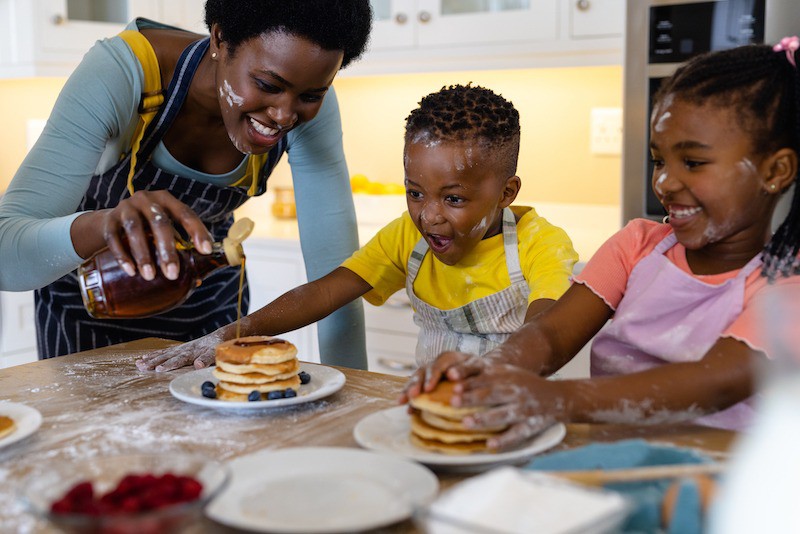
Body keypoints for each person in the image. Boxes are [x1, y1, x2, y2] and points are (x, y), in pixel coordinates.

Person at [402, 40, 800, 450]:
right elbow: (552, 335)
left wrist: (555, 400)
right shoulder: (637, 246)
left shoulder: (787, 287)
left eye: (693, 163)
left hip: (717, 483)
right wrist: (486, 373)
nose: (664, 182)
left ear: (775, 171)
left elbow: (715, 382)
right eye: (659, 161)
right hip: (609, 456)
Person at [0, 0, 372, 369]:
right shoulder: (124, 72)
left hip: (212, 311)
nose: (284, 115)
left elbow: (336, 279)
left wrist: (354, 393)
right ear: (219, 39)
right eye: (267, 85)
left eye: (310, 96)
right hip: (92, 302)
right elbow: (6, 253)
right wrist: (104, 224)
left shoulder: (303, 88)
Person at [135, 84, 578, 371]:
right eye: (415, 192)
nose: (429, 215)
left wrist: (503, 367)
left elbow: (548, 324)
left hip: (521, 408)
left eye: (454, 198)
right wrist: (233, 333)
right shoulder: (408, 236)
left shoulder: (542, 245)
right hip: (436, 406)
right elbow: (324, 292)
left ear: (506, 193)